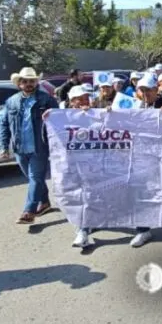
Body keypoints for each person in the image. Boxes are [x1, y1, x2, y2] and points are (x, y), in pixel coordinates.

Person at [0, 67, 59, 225]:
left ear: (36, 82)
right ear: (19, 83)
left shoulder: (46, 100)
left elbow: (59, 121)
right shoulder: (11, 101)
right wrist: (3, 146)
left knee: (35, 178)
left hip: (39, 147)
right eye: (25, 81)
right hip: (19, 148)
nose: (28, 84)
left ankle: (29, 211)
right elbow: (4, 125)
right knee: (34, 179)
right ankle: (44, 203)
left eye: (31, 81)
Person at [129, 73, 162, 248]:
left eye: (149, 90)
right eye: (142, 90)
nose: (145, 93)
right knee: (140, 191)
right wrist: (110, 112)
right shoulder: (131, 105)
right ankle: (143, 229)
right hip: (139, 155)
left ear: (156, 90)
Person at [65, 86, 97, 249]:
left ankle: (86, 227)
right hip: (73, 164)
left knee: (92, 194)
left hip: (95, 164)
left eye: (86, 98)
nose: (84, 101)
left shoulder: (96, 113)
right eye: (80, 99)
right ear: (72, 101)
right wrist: (48, 119)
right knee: (79, 196)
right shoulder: (60, 116)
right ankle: (83, 230)